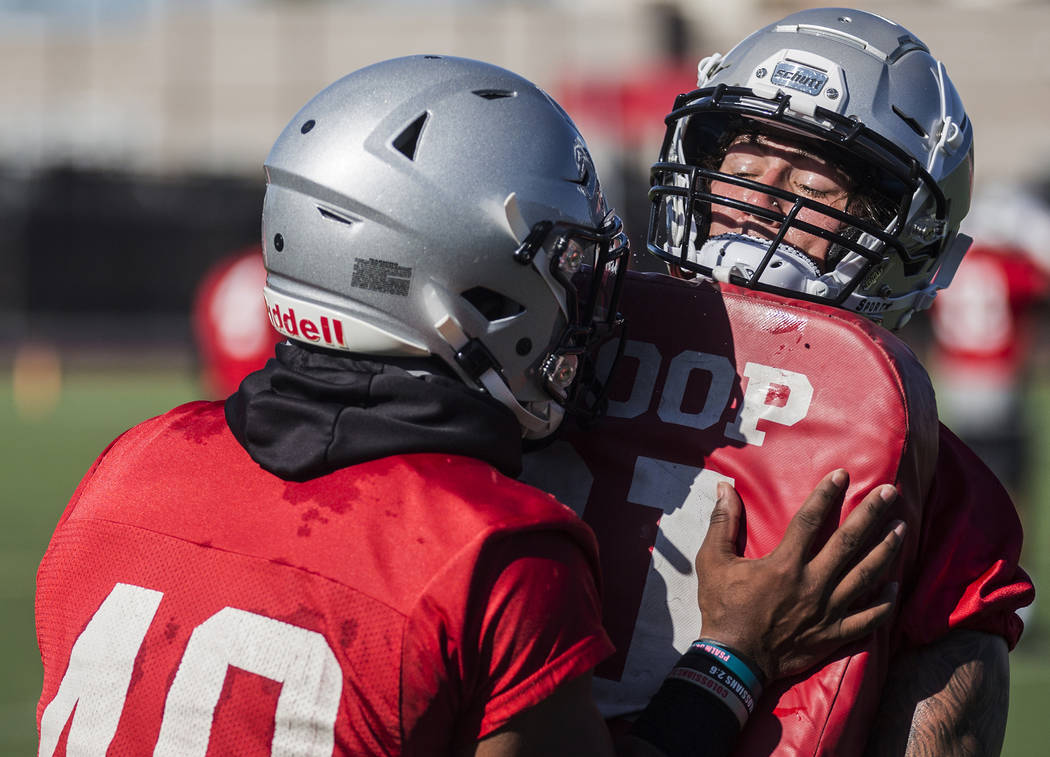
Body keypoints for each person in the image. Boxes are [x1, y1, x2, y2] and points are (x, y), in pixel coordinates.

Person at [35, 56, 906, 757]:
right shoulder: (490, 547)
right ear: (463, 286)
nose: (587, 300)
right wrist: (731, 660)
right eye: (562, 262)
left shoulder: (130, 463)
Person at [521, 8, 1033, 756]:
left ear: (906, 238)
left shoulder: (559, 354)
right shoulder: (558, 346)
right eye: (743, 174)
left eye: (812, 195)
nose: (758, 209)